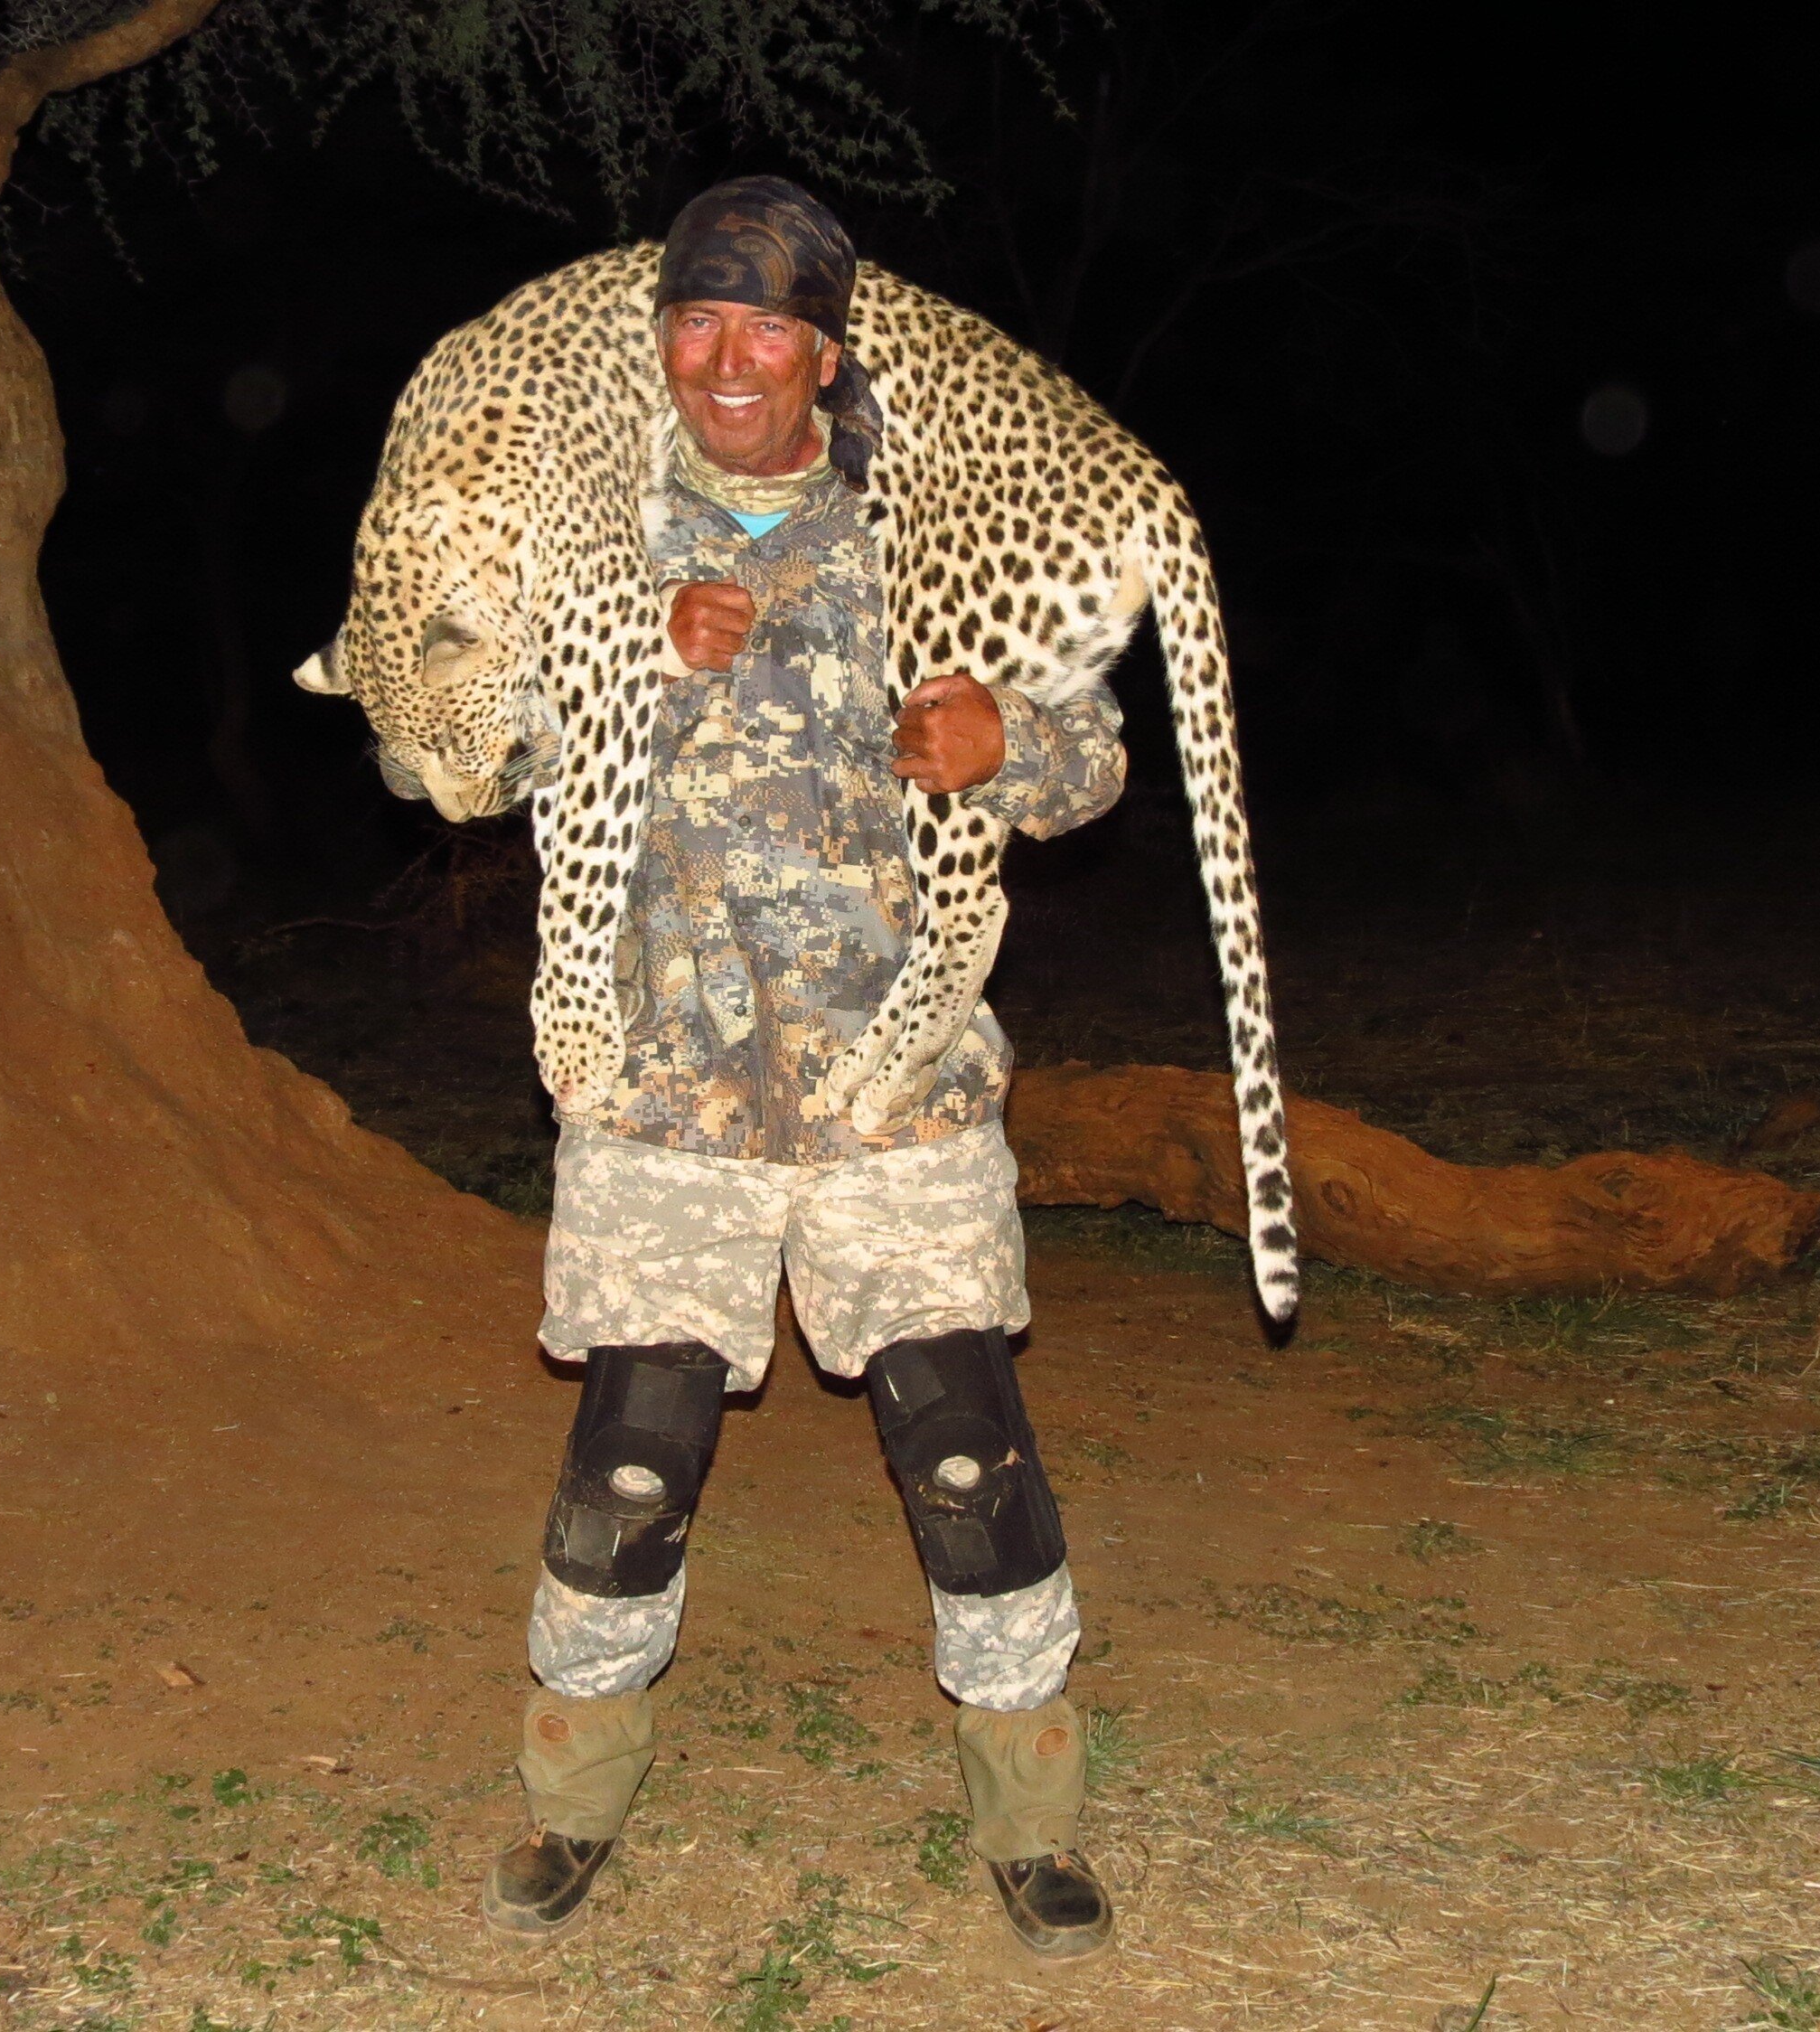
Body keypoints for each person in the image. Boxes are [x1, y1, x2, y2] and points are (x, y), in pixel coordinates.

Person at [480, 176, 1128, 1961]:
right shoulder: (588, 531)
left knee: (963, 1451)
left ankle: (1033, 1820)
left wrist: (1021, 737)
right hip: (666, 1089)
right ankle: (569, 1798)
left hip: (883, 1091)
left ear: (824, 351)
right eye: (695, 320)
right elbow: (455, 744)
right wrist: (626, 656)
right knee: (633, 1454)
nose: (726, 358)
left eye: (765, 323)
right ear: (660, 342)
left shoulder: (922, 529)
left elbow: (1083, 765)